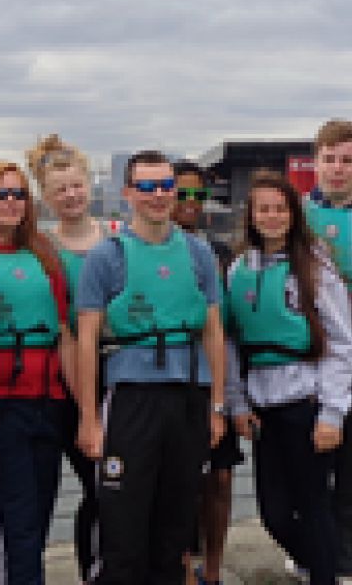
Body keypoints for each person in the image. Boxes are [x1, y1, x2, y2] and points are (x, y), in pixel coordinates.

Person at [76, 149, 225, 584]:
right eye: (146, 187)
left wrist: (217, 404)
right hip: (131, 397)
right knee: (123, 528)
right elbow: (87, 339)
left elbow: (213, 332)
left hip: (188, 396)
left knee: (175, 526)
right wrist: (89, 418)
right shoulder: (107, 257)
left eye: (165, 186)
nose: (158, 195)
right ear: (128, 193)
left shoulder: (199, 255)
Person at [226, 169, 352, 585]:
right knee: (274, 513)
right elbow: (229, 343)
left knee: (315, 505)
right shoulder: (238, 269)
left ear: (294, 214)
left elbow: (341, 341)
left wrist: (333, 413)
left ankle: (324, 574)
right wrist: (238, 404)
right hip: (264, 406)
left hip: (307, 400)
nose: (272, 216)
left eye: (281, 208)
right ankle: (326, 564)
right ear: (251, 215)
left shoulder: (315, 266)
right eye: (264, 209)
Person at [0, 161, 74, 585]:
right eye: (0, 195)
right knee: (14, 528)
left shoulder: (44, 257)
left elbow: (64, 333)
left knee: (36, 525)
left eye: (19, 194)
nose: (11, 203)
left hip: (47, 403)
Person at [26, 134, 109, 583]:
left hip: (110, 377)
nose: (71, 195)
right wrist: (83, 407)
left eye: (76, 186)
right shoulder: (42, 249)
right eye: (60, 190)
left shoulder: (115, 240)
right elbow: (62, 330)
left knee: (104, 493)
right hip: (59, 384)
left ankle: (95, 572)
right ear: (46, 197)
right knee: (42, 495)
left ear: (89, 185)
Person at [172, 160, 242, 585]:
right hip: (169, 382)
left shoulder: (219, 255)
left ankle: (212, 569)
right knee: (178, 479)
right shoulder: (141, 250)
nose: (189, 203)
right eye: (182, 193)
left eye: (198, 195)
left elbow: (230, 327)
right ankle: (182, 568)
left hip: (215, 379)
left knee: (220, 477)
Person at [305, 119, 352, 579]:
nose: (338, 169)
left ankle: (343, 556)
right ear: (316, 162)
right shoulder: (298, 216)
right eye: (330, 159)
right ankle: (314, 550)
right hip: (315, 360)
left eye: (347, 161)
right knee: (317, 461)